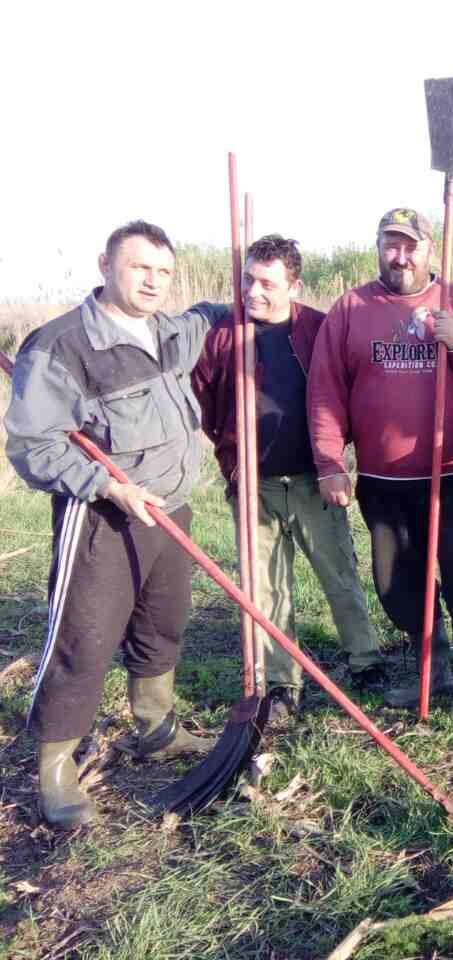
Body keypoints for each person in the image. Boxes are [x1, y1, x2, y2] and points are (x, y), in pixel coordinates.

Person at [4, 221, 223, 827]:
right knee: (84, 638)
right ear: (105, 265)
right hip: (103, 516)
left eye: (163, 272)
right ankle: (55, 770)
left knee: (164, 622)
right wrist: (107, 486)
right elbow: (32, 445)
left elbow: (214, 312)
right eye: (139, 268)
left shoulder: (170, 331)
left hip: (170, 509)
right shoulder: (62, 346)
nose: (152, 282)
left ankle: (155, 727)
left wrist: (263, 298)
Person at [307, 208, 453, 725]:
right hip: (383, 480)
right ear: (378, 248)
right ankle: (432, 671)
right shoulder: (351, 308)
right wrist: (331, 462)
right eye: (389, 245)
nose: (400, 256)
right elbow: (326, 392)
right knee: (400, 585)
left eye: (409, 246)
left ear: (429, 249)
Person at [191, 234, 383, 723]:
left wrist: (335, 461)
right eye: (247, 279)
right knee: (266, 588)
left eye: (267, 283)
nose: (253, 291)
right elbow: (204, 402)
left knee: (338, 574)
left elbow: (345, 394)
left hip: (312, 480)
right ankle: (282, 683)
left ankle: (365, 662)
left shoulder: (318, 329)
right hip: (252, 483)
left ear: (294, 285)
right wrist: (232, 458)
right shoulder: (223, 335)